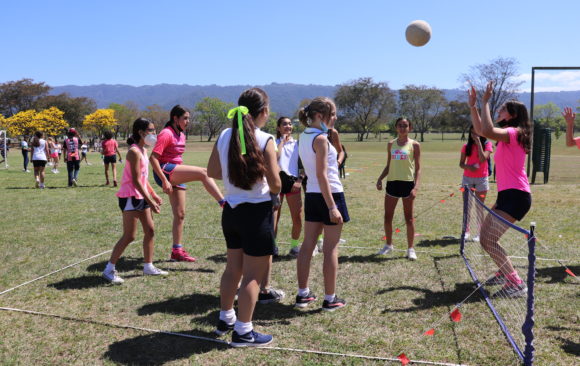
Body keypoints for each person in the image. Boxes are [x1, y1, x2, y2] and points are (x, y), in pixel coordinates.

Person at [207, 88, 281, 346]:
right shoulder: (266, 139)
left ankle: (225, 319)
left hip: (231, 212)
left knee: (232, 269)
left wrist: (236, 174)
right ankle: (243, 331)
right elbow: (275, 183)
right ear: (263, 112)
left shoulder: (225, 134)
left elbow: (212, 170)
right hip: (256, 214)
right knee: (252, 276)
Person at [468, 82, 532, 298]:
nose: (498, 111)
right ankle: (506, 273)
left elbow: (485, 130)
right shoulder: (507, 133)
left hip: (517, 196)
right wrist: (474, 106)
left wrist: (485, 101)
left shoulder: (515, 132)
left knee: (488, 239)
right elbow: (480, 130)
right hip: (507, 195)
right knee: (486, 237)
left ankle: (516, 283)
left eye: (501, 109)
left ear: (512, 114)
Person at [150, 105, 224, 262]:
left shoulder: (181, 134)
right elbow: (153, 158)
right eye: (185, 118)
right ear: (175, 119)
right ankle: (224, 203)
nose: (188, 121)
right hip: (164, 171)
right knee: (204, 172)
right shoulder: (166, 133)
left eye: (189, 118)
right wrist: (164, 180)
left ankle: (176, 251)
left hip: (175, 173)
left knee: (180, 214)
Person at [295, 97, 349, 312]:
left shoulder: (304, 136)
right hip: (329, 196)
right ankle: (330, 298)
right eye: (332, 114)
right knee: (330, 249)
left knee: (307, 245)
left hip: (313, 196)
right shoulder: (320, 139)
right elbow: (322, 174)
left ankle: (303, 294)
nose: (335, 118)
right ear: (319, 116)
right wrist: (332, 207)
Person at [102, 118, 166, 284]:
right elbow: (136, 181)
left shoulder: (143, 150)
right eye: (151, 130)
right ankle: (109, 269)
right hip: (130, 196)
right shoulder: (134, 151)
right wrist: (151, 201)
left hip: (141, 195)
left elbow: (144, 179)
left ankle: (148, 266)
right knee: (129, 236)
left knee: (150, 231)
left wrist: (154, 194)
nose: (154, 134)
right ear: (141, 132)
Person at [375, 118, 422, 260]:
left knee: (409, 219)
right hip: (392, 183)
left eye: (405, 126)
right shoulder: (391, 144)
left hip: (407, 184)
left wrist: (416, 187)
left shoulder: (415, 145)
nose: (402, 128)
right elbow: (389, 165)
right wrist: (380, 178)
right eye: (400, 125)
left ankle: (410, 249)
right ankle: (388, 245)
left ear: (410, 128)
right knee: (387, 217)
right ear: (396, 128)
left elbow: (418, 169)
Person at [273, 116, 304, 257]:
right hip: (277, 183)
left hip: (293, 183)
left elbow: (304, 164)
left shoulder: (298, 144)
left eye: (290, 124)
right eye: (284, 124)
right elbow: (275, 158)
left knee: (297, 218)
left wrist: (300, 180)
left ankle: (294, 246)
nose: (288, 126)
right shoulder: (273, 142)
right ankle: (272, 246)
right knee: (274, 219)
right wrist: (282, 143)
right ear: (279, 128)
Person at [459, 126, 493, 241]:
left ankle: (480, 233)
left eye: (477, 132)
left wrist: (478, 142)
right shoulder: (465, 147)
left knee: (480, 207)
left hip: (482, 180)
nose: (474, 135)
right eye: (472, 132)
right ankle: (466, 231)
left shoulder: (488, 145)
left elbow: (483, 159)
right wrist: (469, 167)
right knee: (467, 207)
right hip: (467, 179)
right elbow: (461, 164)